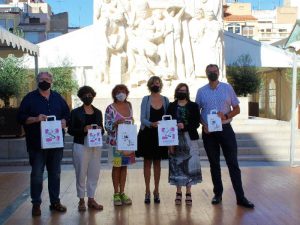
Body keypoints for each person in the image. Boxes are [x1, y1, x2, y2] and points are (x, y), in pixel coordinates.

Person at [195, 64, 255, 209]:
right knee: (214, 164)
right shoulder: (201, 91)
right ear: (206, 73)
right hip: (209, 132)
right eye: (210, 72)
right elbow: (196, 113)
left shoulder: (227, 88)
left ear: (219, 72)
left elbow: (237, 108)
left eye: (215, 71)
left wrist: (226, 115)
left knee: (233, 164)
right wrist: (204, 125)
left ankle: (240, 197)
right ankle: (218, 194)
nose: (212, 73)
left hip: (225, 129)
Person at [17, 71, 70, 216]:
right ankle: (36, 204)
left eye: (47, 79)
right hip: (37, 144)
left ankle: (55, 202)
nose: (44, 81)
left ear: (52, 81)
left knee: (55, 174)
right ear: (37, 81)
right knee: (37, 175)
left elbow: (67, 114)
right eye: (41, 79)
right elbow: (20, 117)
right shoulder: (29, 98)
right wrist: (35, 119)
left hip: (55, 143)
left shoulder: (58, 97)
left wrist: (65, 121)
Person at [68, 86, 104, 212]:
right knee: (81, 173)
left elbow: (102, 128)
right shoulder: (75, 112)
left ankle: (91, 199)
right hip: (81, 145)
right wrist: (83, 130)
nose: (88, 97)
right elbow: (71, 130)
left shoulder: (98, 112)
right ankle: (81, 200)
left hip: (96, 146)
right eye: (85, 95)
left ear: (93, 96)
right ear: (81, 97)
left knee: (94, 173)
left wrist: (100, 129)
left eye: (90, 95)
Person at [167, 83, 202, 205]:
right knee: (176, 164)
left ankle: (188, 192)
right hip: (174, 138)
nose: (182, 92)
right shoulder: (171, 106)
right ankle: (178, 192)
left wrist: (185, 126)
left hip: (189, 138)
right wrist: (169, 143)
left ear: (187, 92)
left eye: (184, 90)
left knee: (190, 164)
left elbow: (197, 123)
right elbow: (167, 122)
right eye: (180, 90)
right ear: (176, 92)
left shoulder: (193, 106)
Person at [136, 76, 169, 204]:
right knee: (147, 163)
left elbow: (168, 117)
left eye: (158, 82)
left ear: (160, 85)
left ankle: (156, 190)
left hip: (161, 135)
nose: (156, 84)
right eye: (154, 83)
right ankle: (147, 191)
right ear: (150, 85)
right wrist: (151, 124)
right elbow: (142, 118)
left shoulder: (165, 100)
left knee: (157, 163)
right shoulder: (146, 99)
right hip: (147, 134)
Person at [105, 84, 135, 206]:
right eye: (118, 91)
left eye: (123, 91)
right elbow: (107, 126)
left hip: (127, 143)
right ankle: (116, 193)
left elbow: (132, 120)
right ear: (114, 94)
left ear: (127, 93)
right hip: (116, 143)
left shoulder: (129, 105)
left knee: (124, 167)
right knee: (117, 167)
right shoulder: (110, 108)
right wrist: (116, 123)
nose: (121, 93)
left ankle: (122, 192)